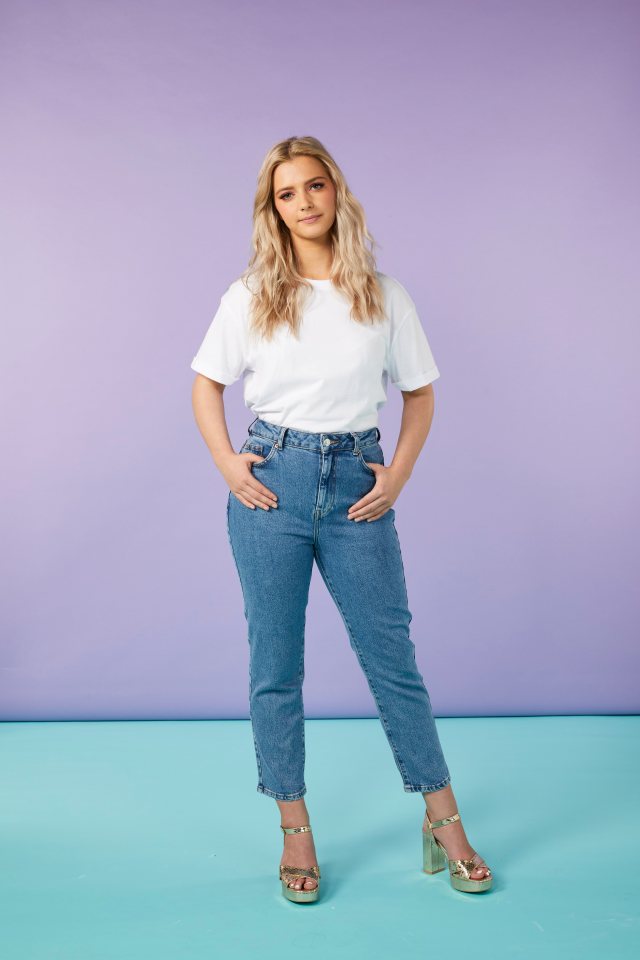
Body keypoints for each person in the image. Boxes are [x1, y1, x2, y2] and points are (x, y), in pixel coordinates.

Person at [190, 136, 493, 901]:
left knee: (392, 658)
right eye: (288, 193)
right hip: (274, 485)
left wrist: (400, 473)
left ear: (336, 192)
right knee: (276, 665)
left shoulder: (382, 294)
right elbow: (206, 384)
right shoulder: (251, 293)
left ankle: (443, 820)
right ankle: (295, 829)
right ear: (274, 209)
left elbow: (419, 394)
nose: (305, 202)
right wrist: (230, 464)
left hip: (357, 482)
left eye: (315, 185)